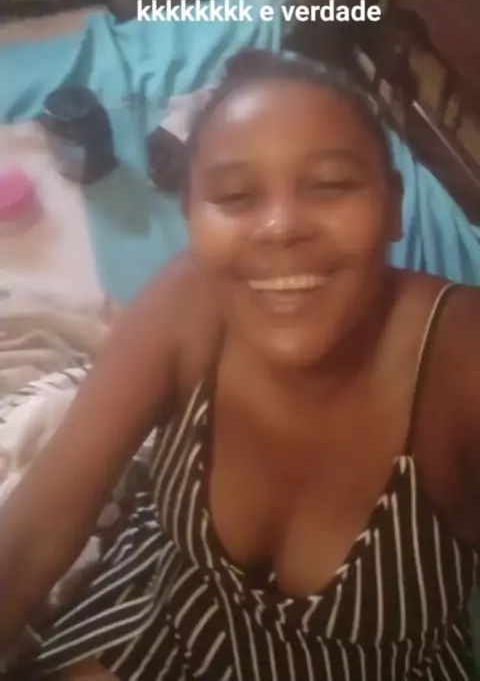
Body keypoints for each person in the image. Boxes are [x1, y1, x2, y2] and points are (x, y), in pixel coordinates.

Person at [1, 50, 479, 681]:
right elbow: (36, 530)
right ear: (192, 219)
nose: (279, 227)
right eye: (234, 195)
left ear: (392, 205)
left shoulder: (460, 366)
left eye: (330, 185)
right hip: (159, 616)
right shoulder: (187, 302)